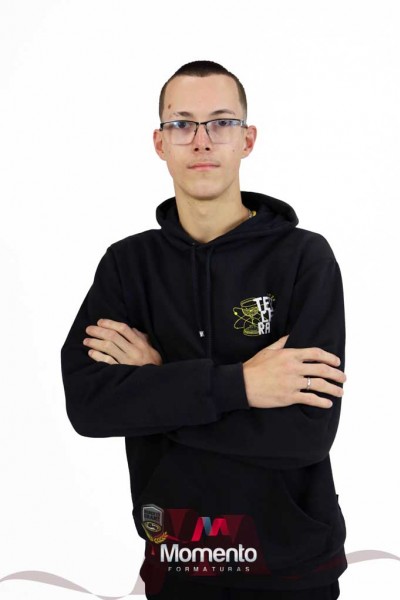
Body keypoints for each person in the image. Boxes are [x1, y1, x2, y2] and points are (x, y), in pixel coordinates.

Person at [60, 61, 348, 600]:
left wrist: (157, 385)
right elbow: (89, 407)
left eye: (221, 122)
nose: (201, 140)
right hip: (180, 561)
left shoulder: (304, 259)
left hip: (294, 568)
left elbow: (306, 433)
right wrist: (242, 385)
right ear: (159, 143)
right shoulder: (128, 266)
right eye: (181, 124)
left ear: (247, 139)